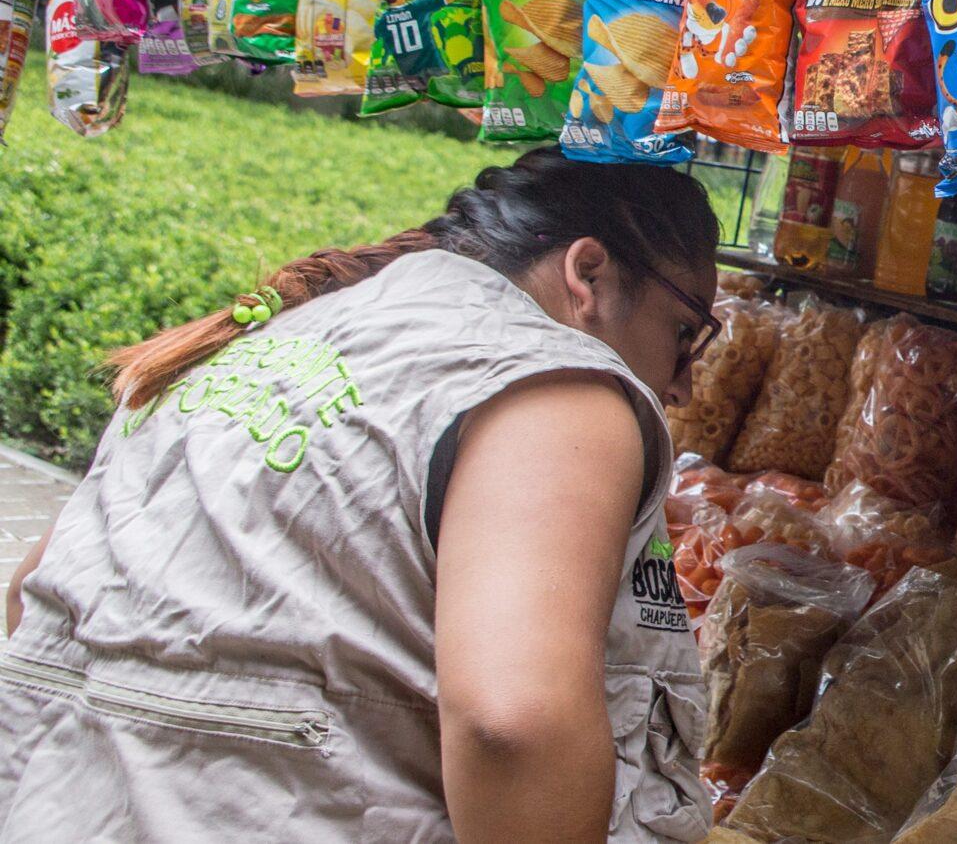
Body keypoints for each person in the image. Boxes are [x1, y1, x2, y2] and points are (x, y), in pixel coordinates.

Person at [0, 148, 722, 843]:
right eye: (685, 331)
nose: (684, 382)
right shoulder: (558, 384)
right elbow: (513, 725)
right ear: (587, 271)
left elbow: (30, 589)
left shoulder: (286, 333)